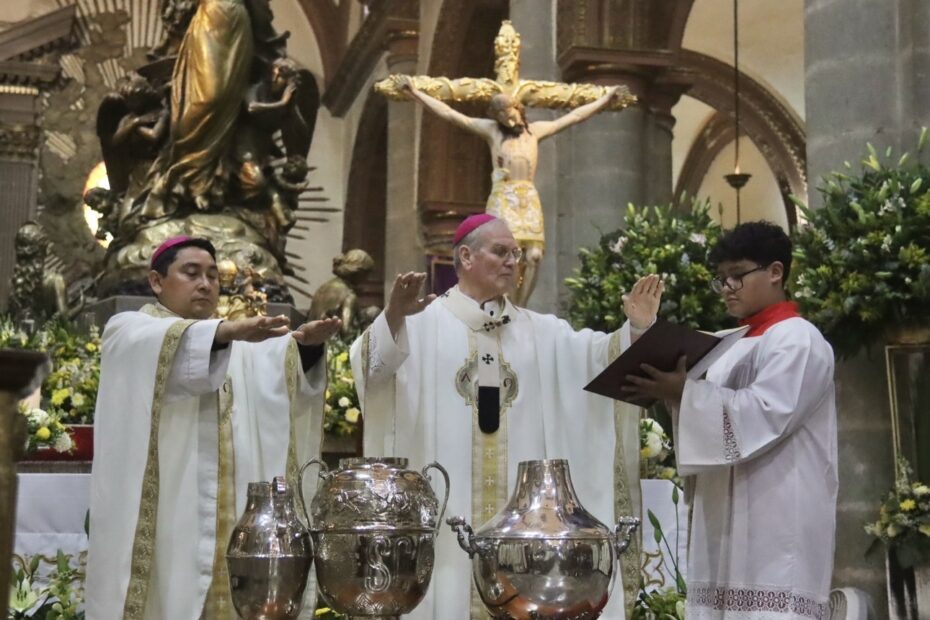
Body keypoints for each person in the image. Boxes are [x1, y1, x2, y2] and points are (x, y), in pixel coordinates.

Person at [350, 214, 663, 619]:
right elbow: (371, 371)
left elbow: (600, 361)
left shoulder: (542, 333)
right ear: (466, 256)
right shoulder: (421, 327)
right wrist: (393, 316)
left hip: (524, 536)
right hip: (447, 513)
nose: (513, 261)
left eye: (515, 253)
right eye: (500, 252)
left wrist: (636, 329)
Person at [85, 236, 341, 620]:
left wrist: (307, 347)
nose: (205, 284)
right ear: (156, 281)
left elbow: (279, 372)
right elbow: (180, 344)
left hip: (234, 514)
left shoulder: (237, 342)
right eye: (191, 273)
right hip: (170, 513)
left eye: (212, 275)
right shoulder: (129, 330)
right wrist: (226, 332)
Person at [624, 221, 838, 620]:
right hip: (723, 510)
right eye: (720, 279)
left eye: (737, 275)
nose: (726, 288)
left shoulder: (798, 338)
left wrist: (684, 394)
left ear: (775, 272)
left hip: (776, 511)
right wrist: (669, 387)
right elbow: (707, 414)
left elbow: (766, 413)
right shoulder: (727, 343)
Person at [399, 76, 620, 305]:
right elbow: (451, 115)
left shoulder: (535, 132)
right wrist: (415, 93)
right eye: (500, 115)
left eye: (508, 111)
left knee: (534, 256)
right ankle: (504, 301)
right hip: (504, 196)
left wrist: (604, 100)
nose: (505, 118)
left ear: (517, 108)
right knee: (502, 252)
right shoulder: (493, 132)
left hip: (527, 198)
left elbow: (574, 117)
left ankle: (520, 304)